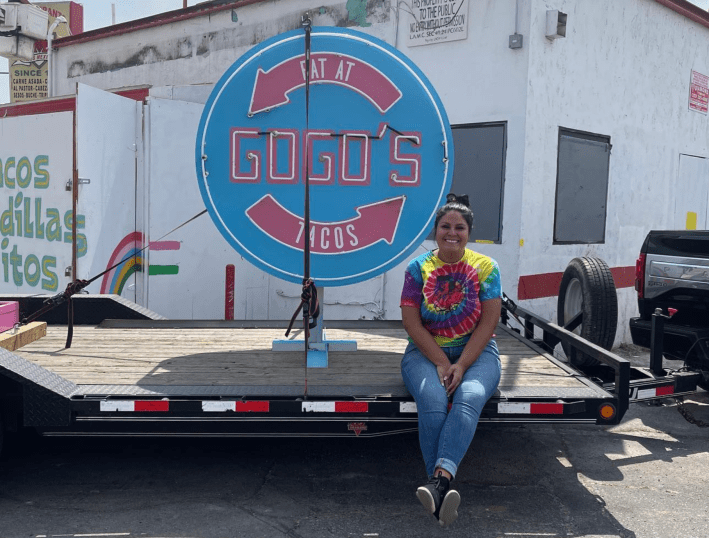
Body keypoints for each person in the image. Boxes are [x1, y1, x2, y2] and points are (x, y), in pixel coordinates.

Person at [400, 193, 502, 527]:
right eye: (445, 226)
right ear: (436, 230)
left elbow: (488, 323)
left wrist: (461, 364)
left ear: (469, 232)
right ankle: (442, 489)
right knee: (431, 400)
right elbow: (412, 322)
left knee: (469, 398)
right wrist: (442, 361)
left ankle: (437, 484)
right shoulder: (417, 269)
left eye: (459, 227)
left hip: (478, 351)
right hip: (425, 351)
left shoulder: (486, 267)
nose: (452, 232)